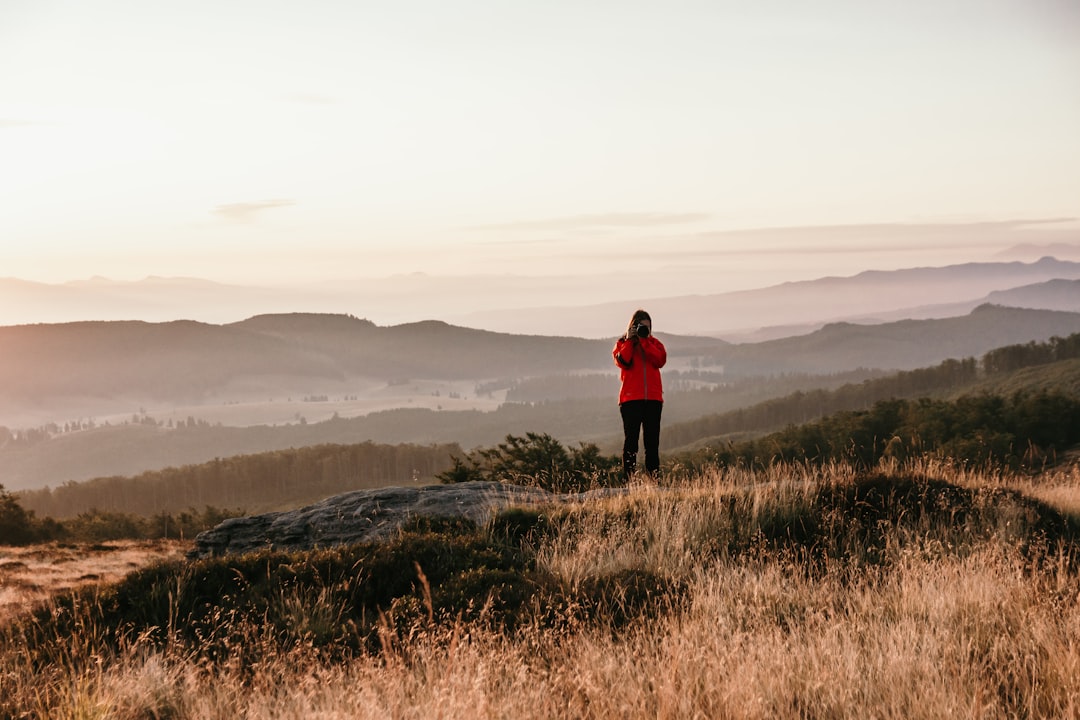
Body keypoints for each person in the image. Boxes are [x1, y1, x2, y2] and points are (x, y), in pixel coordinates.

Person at [612, 308, 667, 479]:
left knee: (652, 443)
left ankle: (653, 480)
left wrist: (645, 341)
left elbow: (660, 360)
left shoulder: (654, 343)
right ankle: (629, 481)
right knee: (631, 442)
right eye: (641, 327)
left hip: (653, 399)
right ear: (632, 326)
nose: (645, 331)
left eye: (648, 328)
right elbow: (623, 362)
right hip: (630, 400)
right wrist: (630, 340)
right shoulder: (622, 343)